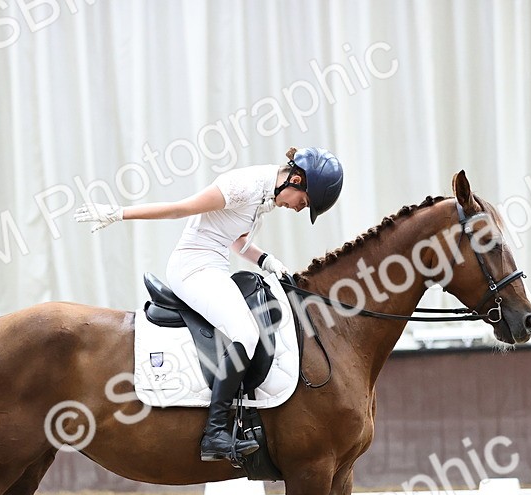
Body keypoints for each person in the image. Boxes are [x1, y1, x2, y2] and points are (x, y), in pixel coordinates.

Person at [75, 146, 344, 461]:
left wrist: (266, 260)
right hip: (192, 269)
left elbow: (234, 239)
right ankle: (214, 433)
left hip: (213, 267)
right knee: (246, 333)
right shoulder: (244, 186)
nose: (299, 209)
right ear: (296, 180)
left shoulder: (264, 193)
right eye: (304, 202)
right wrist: (120, 213)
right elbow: (179, 210)